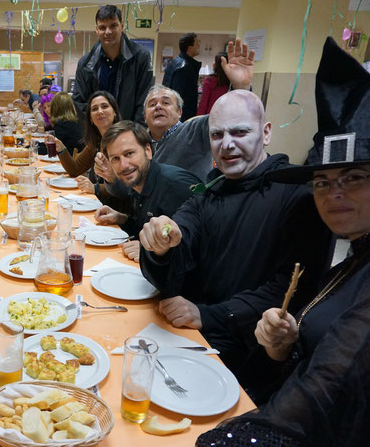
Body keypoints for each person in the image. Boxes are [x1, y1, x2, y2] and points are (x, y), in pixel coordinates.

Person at [197, 37, 370, 446]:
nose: (335, 194)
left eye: (355, 178)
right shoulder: (353, 257)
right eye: (323, 182)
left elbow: (330, 385)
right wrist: (285, 346)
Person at [138, 90, 334, 384]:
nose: (227, 144)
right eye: (217, 135)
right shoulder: (211, 191)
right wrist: (161, 244)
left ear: (266, 133)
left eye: (240, 132)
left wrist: (210, 315)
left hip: (252, 360)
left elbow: (291, 289)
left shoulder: (299, 195)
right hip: (192, 343)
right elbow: (183, 229)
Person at [146, 39, 256, 180]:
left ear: (179, 112)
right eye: (152, 104)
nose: (158, 106)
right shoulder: (139, 142)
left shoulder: (194, 130)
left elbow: (227, 115)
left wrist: (240, 87)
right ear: (144, 115)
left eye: (166, 103)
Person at [93, 121, 199, 263]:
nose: (123, 165)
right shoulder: (139, 183)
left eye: (129, 153)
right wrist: (122, 219)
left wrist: (149, 251)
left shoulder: (175, 187)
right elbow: (143, 229)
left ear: (148, 151)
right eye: (115, 159)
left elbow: (197, 250)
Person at [72, 5, 153, 122]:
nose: (108, 32)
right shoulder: (86, 64)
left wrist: (134, 133)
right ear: (96, 30)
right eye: (102, 27)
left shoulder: (140, 57)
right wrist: (96, 131)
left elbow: (144, 100)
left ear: (122, 26)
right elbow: (80, 103)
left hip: (129, 132)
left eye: (113, 26)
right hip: (97, 133)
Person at [48, 90, 120, 178]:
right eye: (95, 109)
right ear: (91, 118)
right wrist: (61, 149)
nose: (100, 111)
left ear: (115, 112)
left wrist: (96, 188)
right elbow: (75, 169)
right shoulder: (95, 143)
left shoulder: (122, 142)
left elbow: (125, 188)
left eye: (104, 106)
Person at [162, 32, 201, 122]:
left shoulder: (175, 62)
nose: (199, 46)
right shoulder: (184, 67)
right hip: (182, 117)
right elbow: (178, 97)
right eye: (196, 43)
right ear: (189, 48)